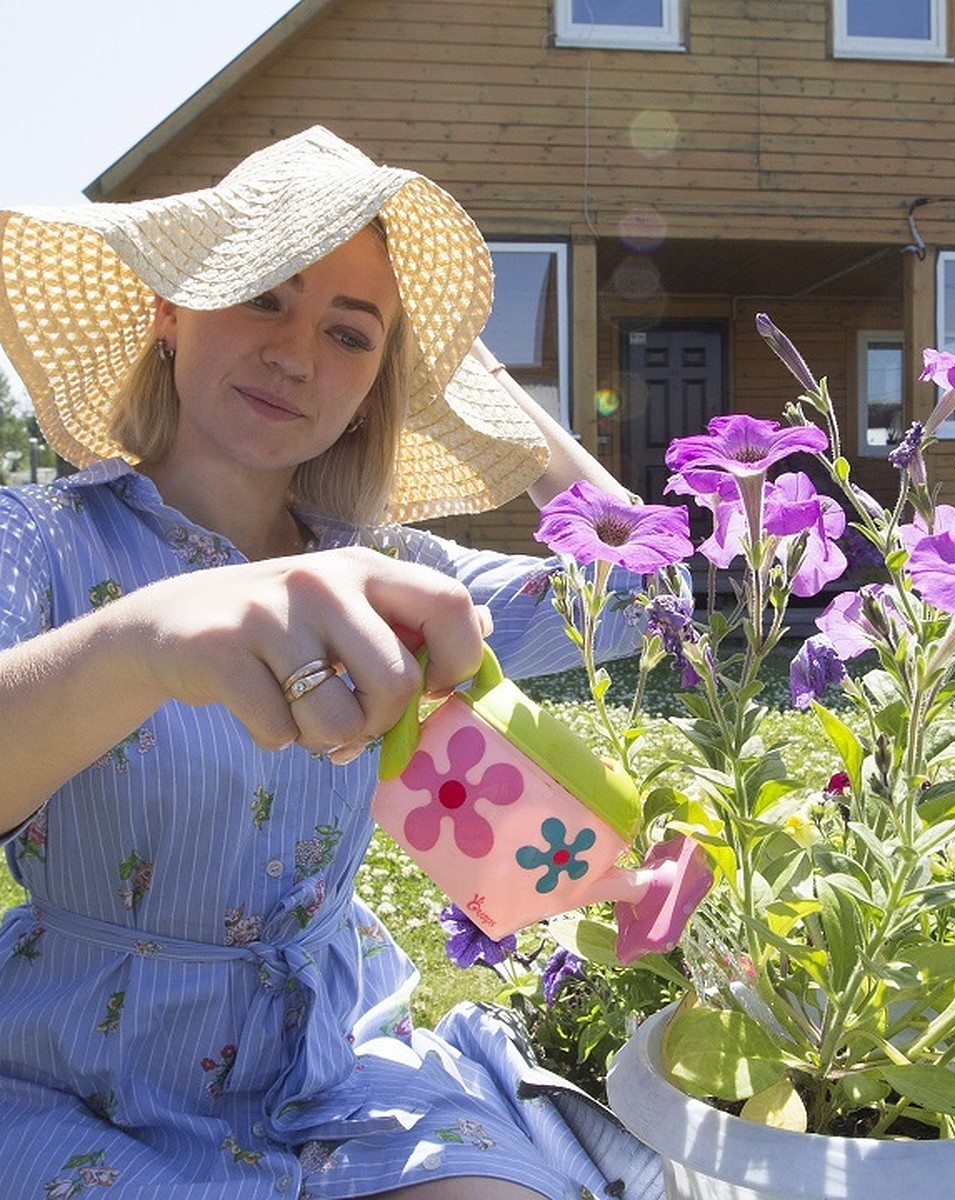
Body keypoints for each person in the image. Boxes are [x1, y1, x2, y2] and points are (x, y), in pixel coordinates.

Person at [0, 127, 651, 1199]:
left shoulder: (387, 575)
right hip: (80, 1081)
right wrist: (139, 645)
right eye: (265, 295)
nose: (298, 355)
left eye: (353, 337)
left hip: (339, 1067)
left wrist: (499, 401)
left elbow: (644, 593)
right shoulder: (41, 543)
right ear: (170, 307)